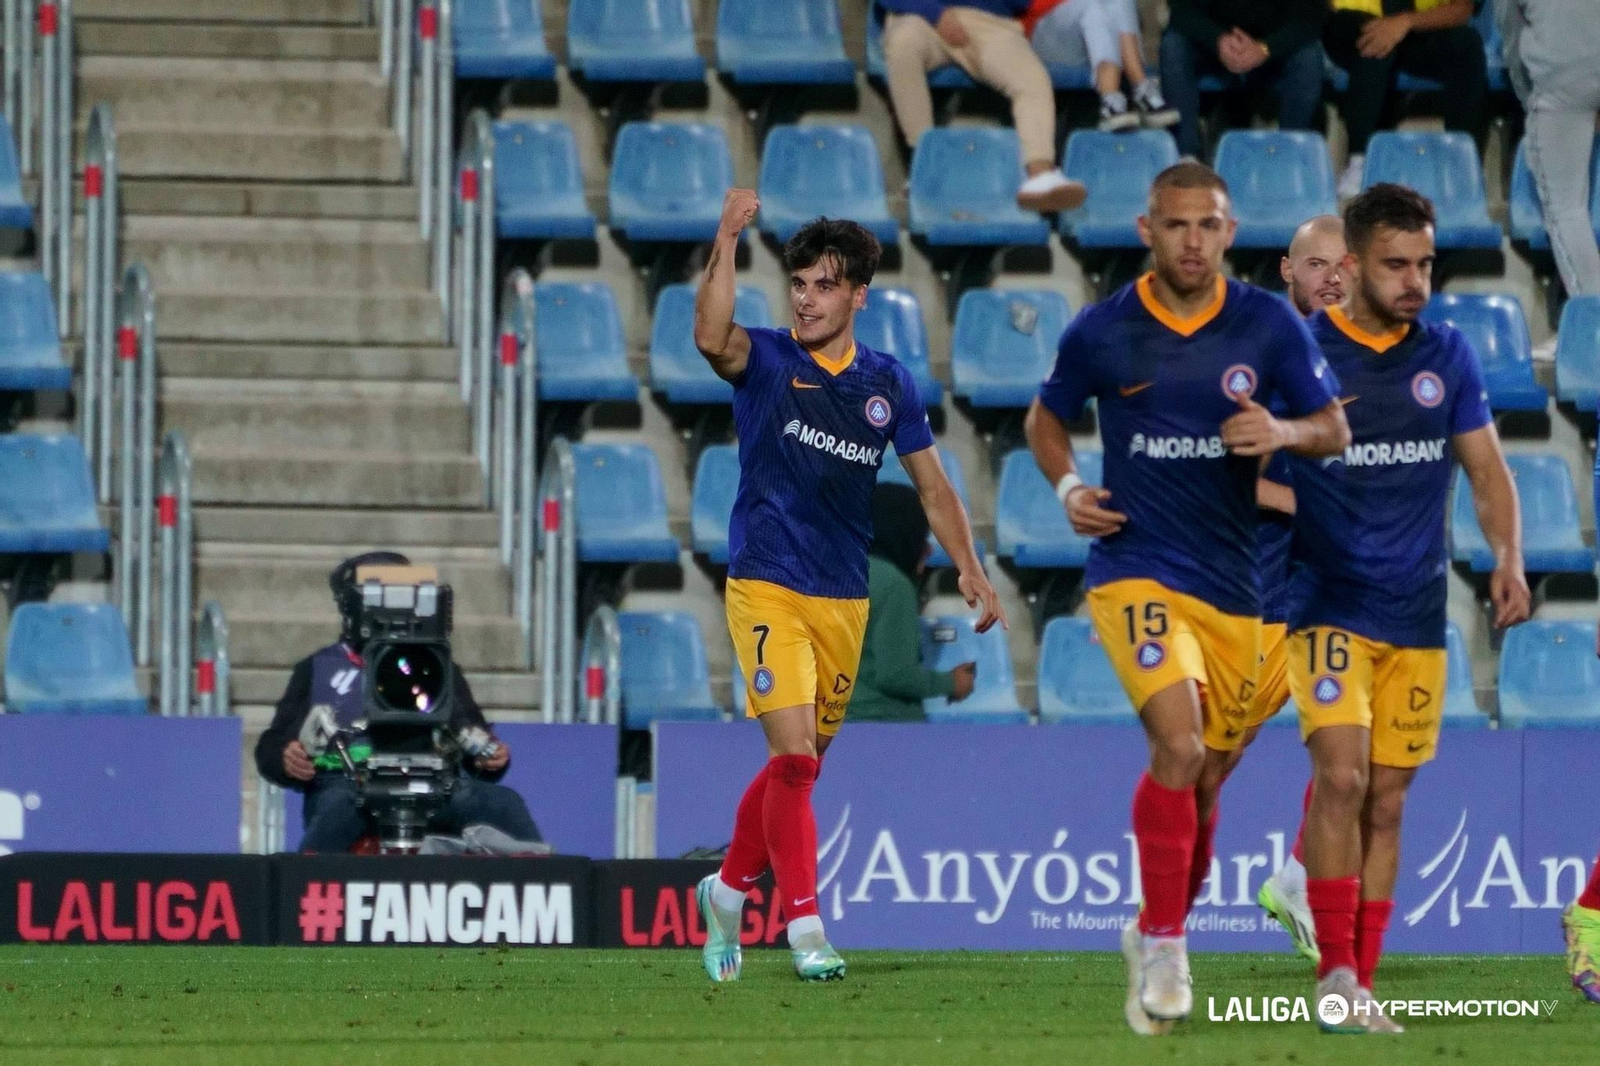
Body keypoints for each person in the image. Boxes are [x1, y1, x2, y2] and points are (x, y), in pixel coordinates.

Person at [1025, 162, 1349, 1034]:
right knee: (1177, 742)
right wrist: (1066, 491)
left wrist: (1281, 430)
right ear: (1147, 230)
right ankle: (1168, 940)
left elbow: (1334, 430)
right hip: (1134, 566)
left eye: (1208, 226)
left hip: (1241, 594)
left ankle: (1155, 925)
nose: (1193, 242)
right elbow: (1044, 417)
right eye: (1176, 225)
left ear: (1230, 232)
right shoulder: (1103, 331)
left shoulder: (1269, 326)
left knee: (1203, 785)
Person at [692, 193, 1005, 983]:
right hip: (765, 583)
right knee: (794, 761)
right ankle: (805, 932)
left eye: (825, 285)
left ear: (858, 295)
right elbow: (707, 336)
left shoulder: (887, 385)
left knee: (798, 766)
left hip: (844, 597)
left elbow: (932, 487)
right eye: (799, 283)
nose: (806, 297)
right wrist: (727, 239)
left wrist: (969, 562)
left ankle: (726, 891)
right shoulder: (766, 360)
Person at [1288, 184, 1530, 1033]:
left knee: (1388, 802)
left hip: (1418, 614)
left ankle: (1364, 987)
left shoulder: (1449, 357)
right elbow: (1241, 470)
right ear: (1351, 266)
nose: (1415, 280)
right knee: (1342, 778)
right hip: (1324, 607)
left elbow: (1489, 470)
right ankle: (1334, 974)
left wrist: (1507, 558)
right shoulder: (1302, 354)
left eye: (1425, 264)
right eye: (1397, 265)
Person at [253, 551, 542, 853]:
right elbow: (272, 745)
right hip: (347, 782)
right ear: (351, 604)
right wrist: (285, 757)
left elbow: (470, 735)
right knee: (339, 808)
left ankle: (547, 883)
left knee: (503, 802)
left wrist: (490, 758)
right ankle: (307, 885)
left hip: (432, 783)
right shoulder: (318, 667)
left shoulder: (436, 664)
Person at [876, 1, 1087, 212]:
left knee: (1032, 80)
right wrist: (935, 13)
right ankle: (926, 169)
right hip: (919, 18)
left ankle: (1040, 176)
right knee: (902, 42)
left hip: (990, 23)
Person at [1325, 0, 1488, 199]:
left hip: (1415, 28)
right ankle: (1360, 161)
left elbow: (1462, 10)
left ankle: (1461, 164)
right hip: (1349, 24)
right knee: (1375, 36)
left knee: (1467, 42)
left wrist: (1406, 22)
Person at [851, 482, 978, 721]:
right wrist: (952, 682)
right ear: (901, 531)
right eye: (920, 534)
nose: (928, 549)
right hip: (883, 725)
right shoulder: (893, 585)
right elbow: (895, 675)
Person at [1500, 0, 1600, 297]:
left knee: (1565, 210)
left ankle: (1592, 325)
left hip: (1563, 84)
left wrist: (1529, 100)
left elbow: (1511, 36)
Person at [1159, 0, 1328, 160]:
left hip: (1272, 49)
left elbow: (1312, 16)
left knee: (1309, 55)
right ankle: (1185, 157)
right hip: (1212, 46)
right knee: (1173, 44)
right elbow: (1181, 11)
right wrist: (1218, 40)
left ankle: (1289, 154)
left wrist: (1265, 49)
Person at [1024, 0, 1179, 132]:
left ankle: (1139, 87)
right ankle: (1112, 98)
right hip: (1044, 31)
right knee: (1090, 5)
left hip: (1091, 36)